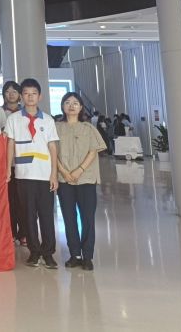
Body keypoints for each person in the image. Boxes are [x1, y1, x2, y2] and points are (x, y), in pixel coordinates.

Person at [5, 78, 60, 269]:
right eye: (26, 94)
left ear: (40, 96)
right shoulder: (13, 119)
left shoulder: (48, 120)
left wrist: (54, 174)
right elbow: (10, 144)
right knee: (28, 216)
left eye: (33, 94)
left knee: (46, 215)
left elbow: (52, 147)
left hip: (44, 174)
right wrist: (8, 169)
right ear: (21, 96)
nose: (30, 97)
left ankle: (48, 252)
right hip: (23, 174)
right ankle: (34, 252)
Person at [56, 92, 107, 271]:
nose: (71, 106)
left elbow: (93, 151)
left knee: (87, 218)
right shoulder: (56, 127)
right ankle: (75, 255)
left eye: (75, 103)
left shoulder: (88, 128)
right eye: (67, 102)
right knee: (69, 218)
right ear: (62, 106)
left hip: (86, 179)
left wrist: (79, 170)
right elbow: (51, 151)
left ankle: (87, 256)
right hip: (64, 179)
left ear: (81, 107)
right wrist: (63, 171)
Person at [0, 80, 25, 245]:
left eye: (14, 91)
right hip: (5, 164)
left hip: (23, 163)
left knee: (23, 200)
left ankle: (23, 233)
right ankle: (10, 232)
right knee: (8, 200)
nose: (11, 94)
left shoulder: (25, 113)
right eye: (8, 91)